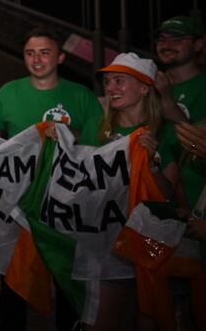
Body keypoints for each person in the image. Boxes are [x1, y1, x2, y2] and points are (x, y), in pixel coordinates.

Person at [0, 27, 103, 331]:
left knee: (66, 282)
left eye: (45, 52)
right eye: (30, 53)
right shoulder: (8, 92)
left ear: (60, 57)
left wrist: (66, 134)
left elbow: (98, 148)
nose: (37, 59)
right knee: (14, 283)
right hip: (18, 205)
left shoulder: (81, 95)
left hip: (67, 207)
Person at [79, 52, 180, 330]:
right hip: (105, 245)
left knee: (146, 318)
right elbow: (80, 184)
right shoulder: (96, 128)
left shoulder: (163, 132)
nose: (111, 88)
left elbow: (169, 195)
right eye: (109, 82)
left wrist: (153, 163)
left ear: (144, 87)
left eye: (120, 81)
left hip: (146, 242)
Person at [153, 15, 205, 124]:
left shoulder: (202, 86)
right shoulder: (149, 85)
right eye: (161, 40)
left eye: (177, 39)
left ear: (198, 45)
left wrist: (167, 101)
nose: (166, 45)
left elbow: (201, 140)